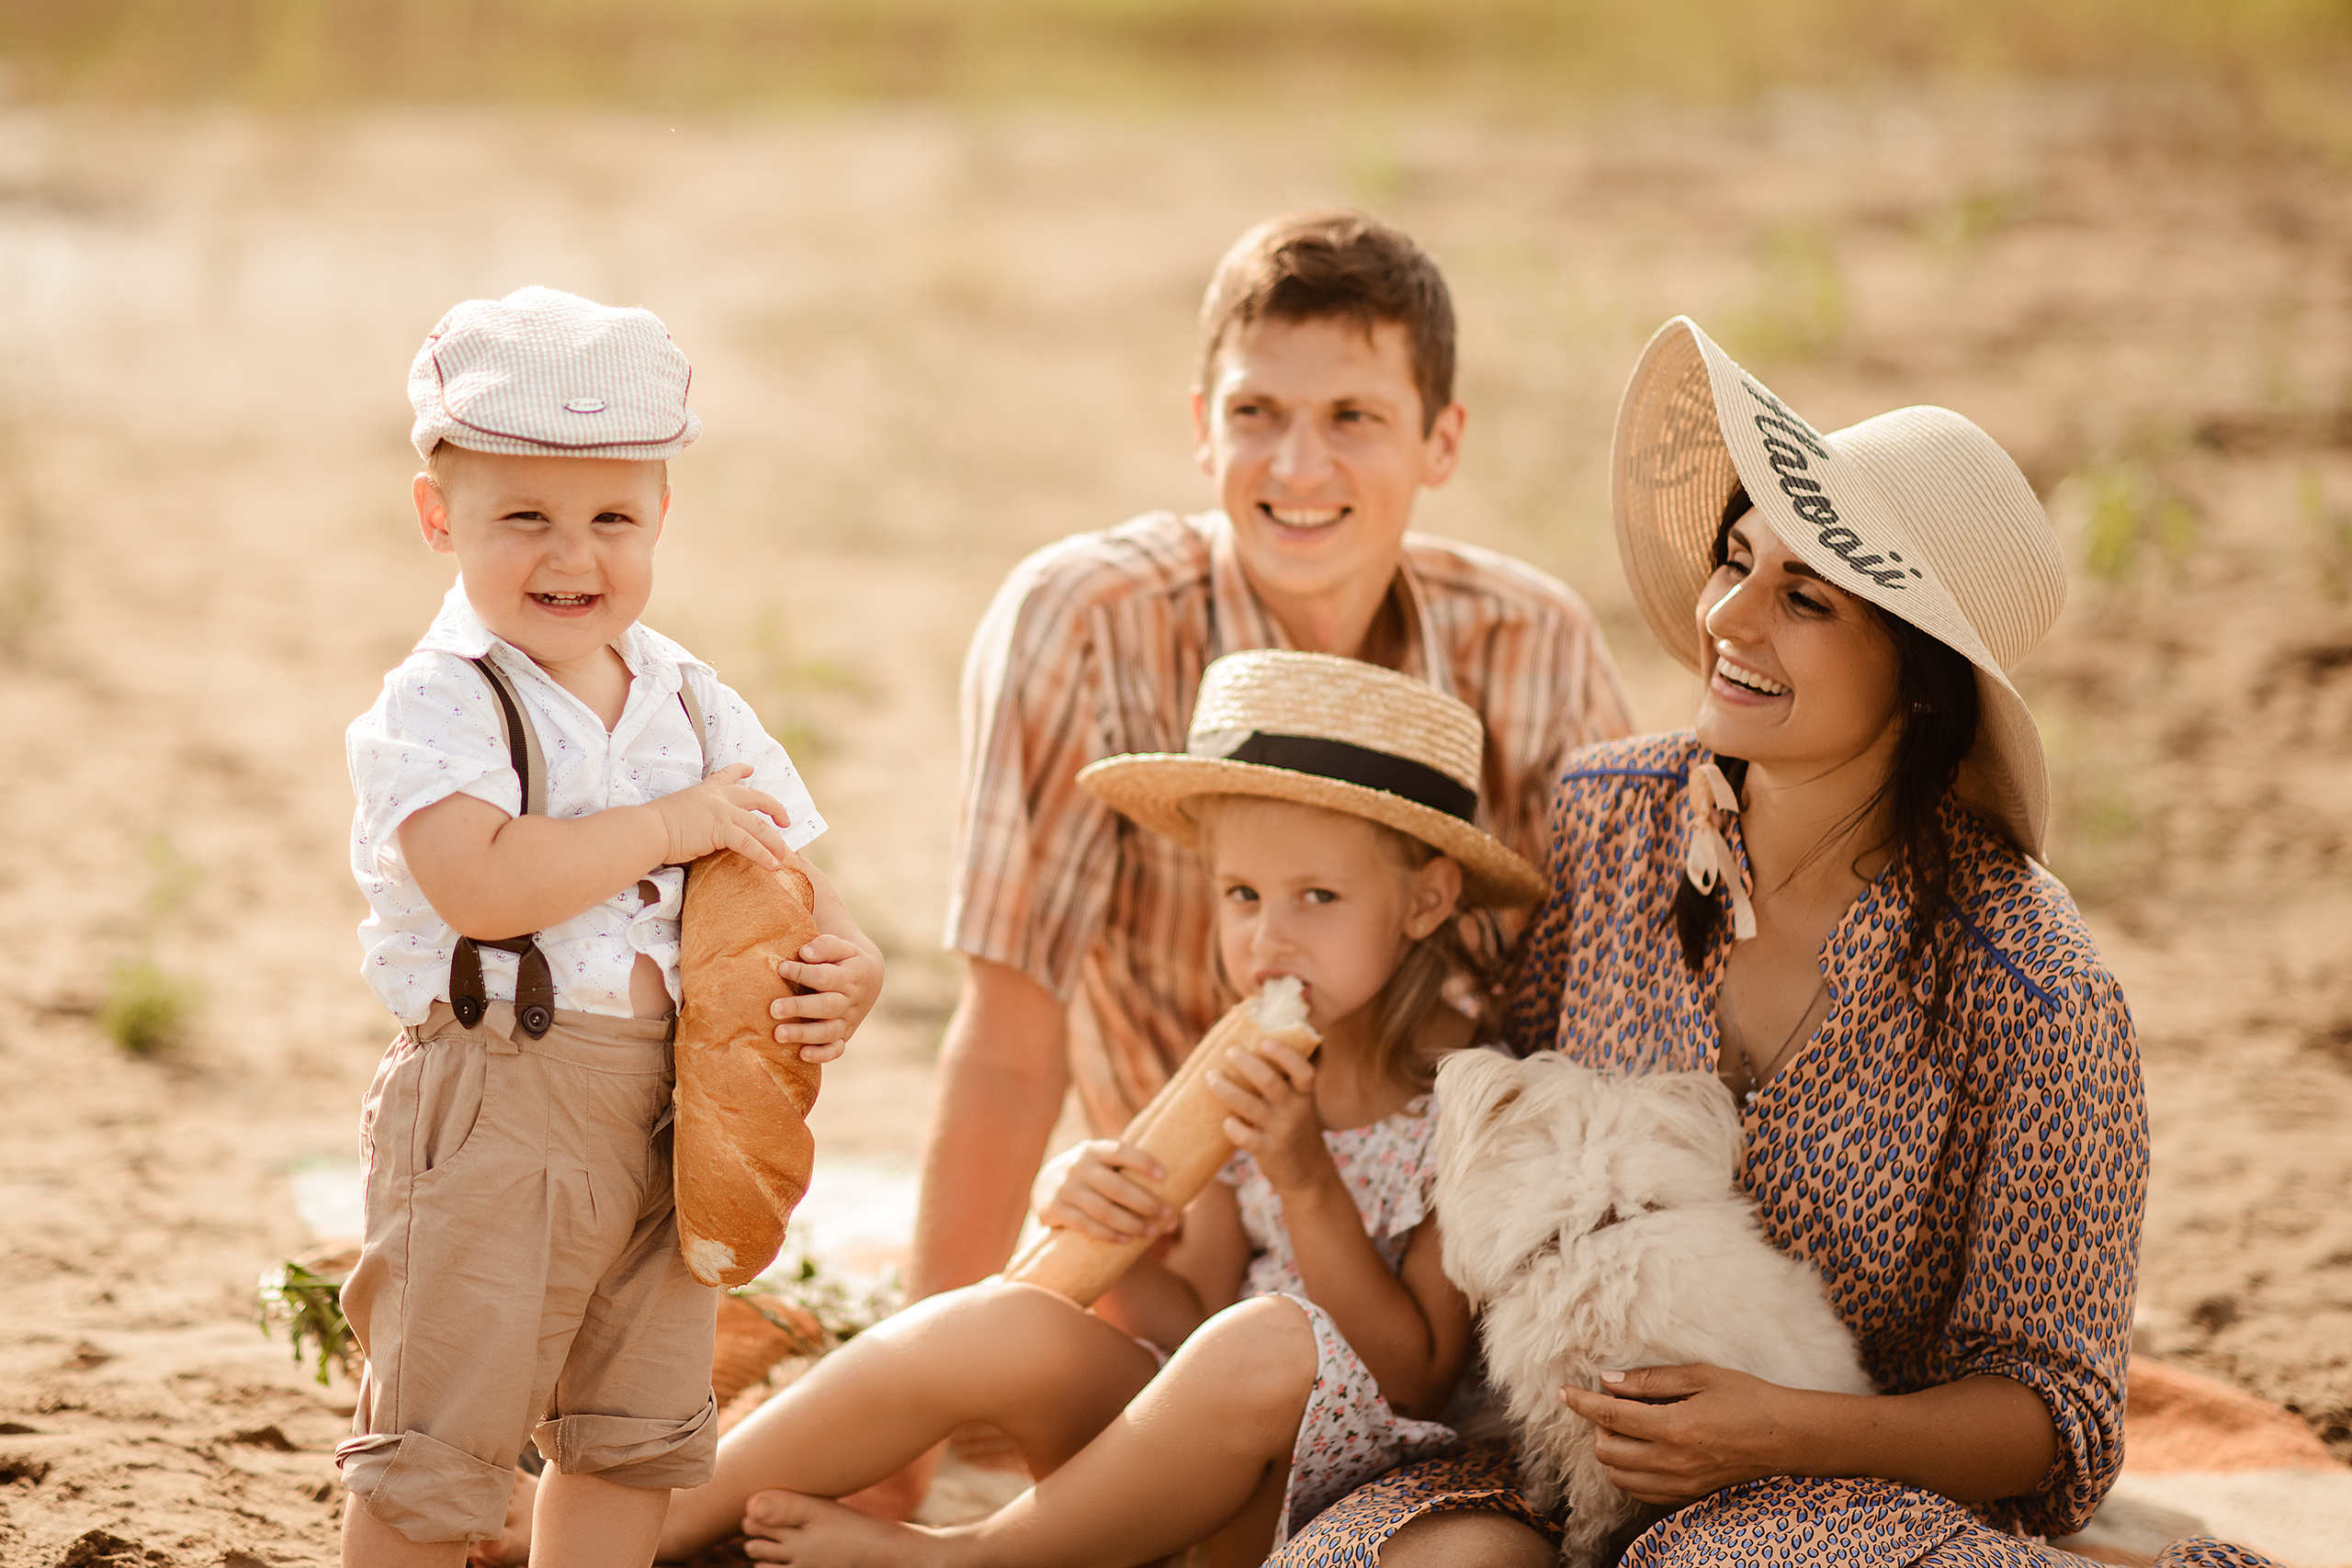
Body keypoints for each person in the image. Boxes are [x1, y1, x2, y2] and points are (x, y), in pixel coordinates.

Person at [1274, 317, 2278, 1566]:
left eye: (1805, 596)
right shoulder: (1607, 818)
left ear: (1919, 677)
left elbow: (2057, 1410)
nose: (1730, 618)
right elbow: (1494, 1110)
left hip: (1834, 1492)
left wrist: (1784, 1431)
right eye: (1735, 561)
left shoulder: (2033, 988)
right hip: (1548, 1436)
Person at [657, 649, 1547, 1566]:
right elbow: (1192, 1312)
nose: (1268, 936)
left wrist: (1306, 1180)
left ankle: (960, 1555)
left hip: (1342, 1502)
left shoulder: (1479, 1107)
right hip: (1180, 1474)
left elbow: (1416, 1377)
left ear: (1427, 899)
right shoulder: (1245, 1071)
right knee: (999, 1320)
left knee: (1273, 1340)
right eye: (1241, 895)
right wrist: (1103, 1229)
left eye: (1316, 897)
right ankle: (673, 1510)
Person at [921, 209, 1632, 1313]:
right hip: (1175, 1237)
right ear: (1203, 427)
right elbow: (1012, 1041)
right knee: (983, 1353)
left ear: (1442, 441)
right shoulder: (1087, 621)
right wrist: (908, 1459)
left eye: (1354, 416)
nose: (1300, 466)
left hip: (1435, 1274)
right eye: (1258, 413)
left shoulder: (1534, 643)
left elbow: (1588, 1018)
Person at [338, 287, 884, 1568]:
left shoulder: (690, 695)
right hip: (497, 1099)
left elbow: (789, 873)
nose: (570, 556)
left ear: (661, 519)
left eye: (611, 519)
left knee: (635, 1428)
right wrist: (665, 825)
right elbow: (482, 880)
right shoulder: (444, 698)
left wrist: (846, 968)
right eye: (521, 515)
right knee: (441, 1436)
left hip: (679, 1109)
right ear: (439, 516)